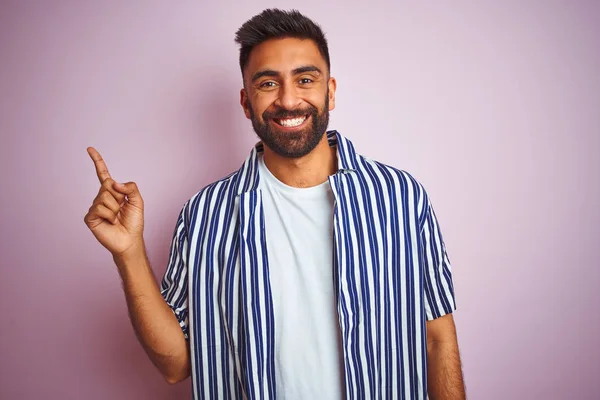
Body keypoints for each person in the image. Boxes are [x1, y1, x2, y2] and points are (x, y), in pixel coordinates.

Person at [84, 8, 465, 400]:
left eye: (305, 79)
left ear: (330, 91)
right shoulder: (204, 216)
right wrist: (129, 253)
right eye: (268, 83)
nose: (288, 99)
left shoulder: (400, 198)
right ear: (246, 101)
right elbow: (176, 364)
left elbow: (437, 340)